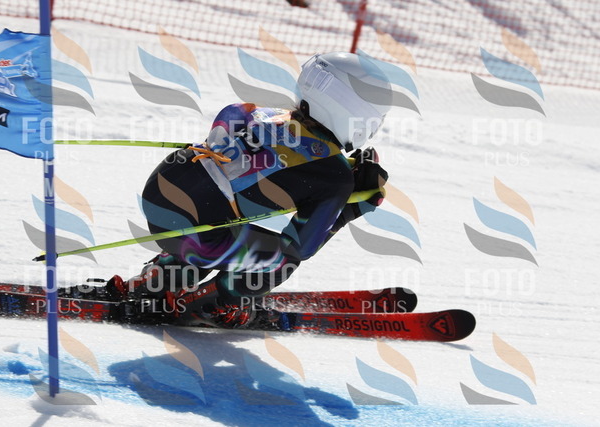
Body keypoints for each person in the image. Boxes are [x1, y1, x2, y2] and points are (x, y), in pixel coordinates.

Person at [109, 52, 393, 328]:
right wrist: (351, 206)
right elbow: (301, 246)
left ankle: (161, 279)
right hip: (193, 232)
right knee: (280, 260)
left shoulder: (260, 112)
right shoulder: (334, 177)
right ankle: (212, 304)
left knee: (222, 227)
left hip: (159, 194)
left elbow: (237, 126)